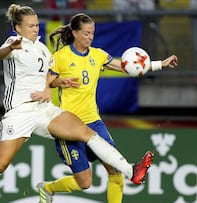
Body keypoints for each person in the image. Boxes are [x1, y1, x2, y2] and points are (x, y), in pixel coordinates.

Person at [0, 4, 153, 203]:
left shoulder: (42, 49)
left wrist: (57, 83)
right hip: (20, 113)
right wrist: (9, 47)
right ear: (18, 28)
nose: (35, 28)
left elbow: (48, 79)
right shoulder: (15, 42)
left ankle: (131, 170)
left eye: (36, 24)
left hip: (43, 110)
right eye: (30, 26)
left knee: (87, 133)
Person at [36, 13, 178, 203]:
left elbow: (126, 67)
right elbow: (47, 82)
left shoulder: (98, 55)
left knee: (115, 171)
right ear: (76, 33)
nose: (90, 37)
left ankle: (129, 173)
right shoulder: (61, 57)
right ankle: (48, 188)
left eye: (92, 33)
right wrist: (57, 83)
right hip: (68, 125)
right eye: (86, 33)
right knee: (84, 182)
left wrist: (160, 64)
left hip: (93, 121)